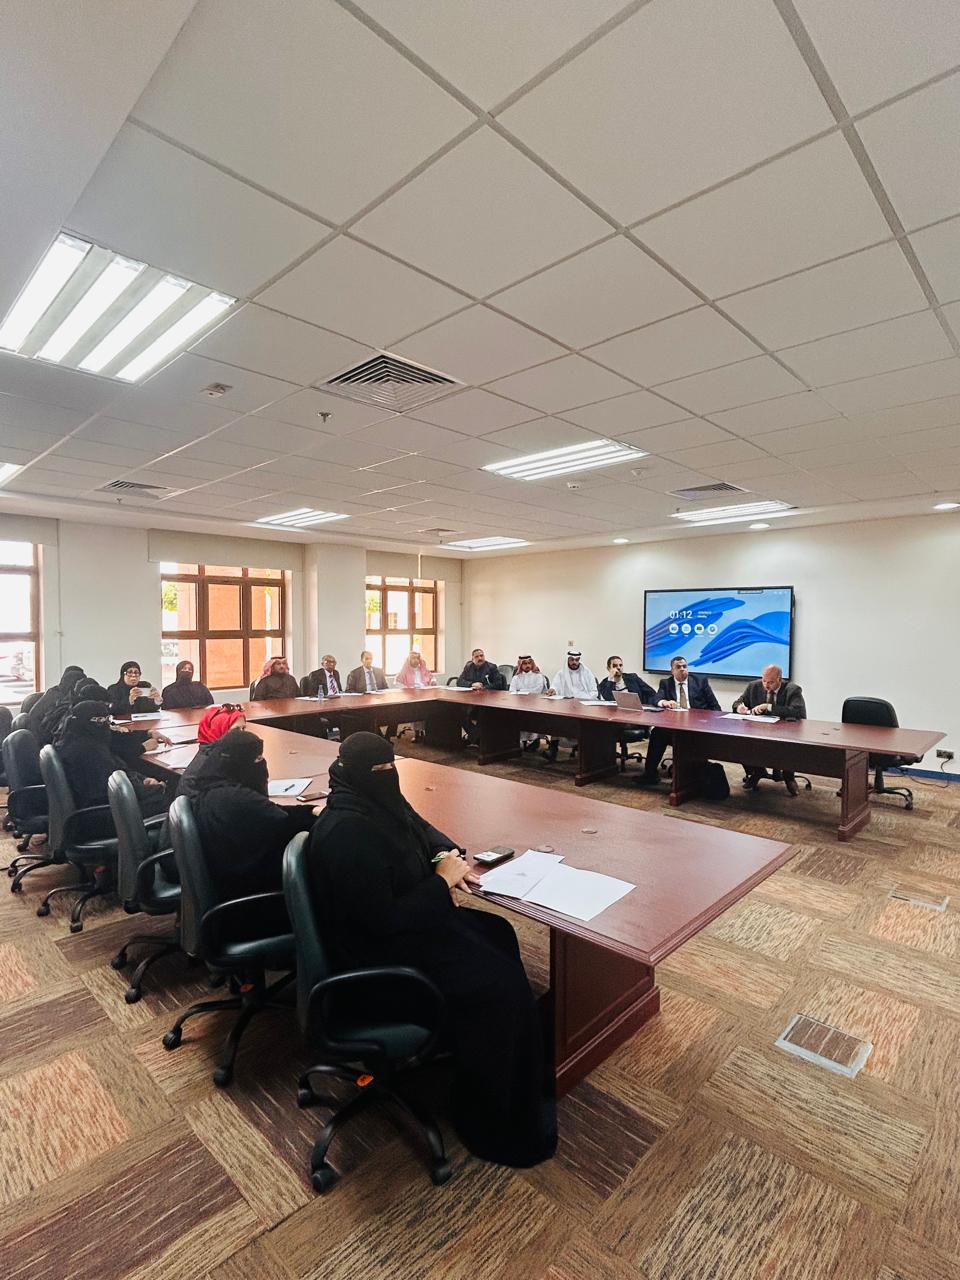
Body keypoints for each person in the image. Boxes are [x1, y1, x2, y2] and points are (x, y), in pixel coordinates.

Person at [306, 732, 557, 1169]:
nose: (389, 776)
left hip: (411, 926)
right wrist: (441, 883)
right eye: (380, 770)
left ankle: (487, 1055)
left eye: (391, 767)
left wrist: (445, 853)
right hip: (380, 961)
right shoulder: (347, 831)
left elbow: (416, 823)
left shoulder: (372, 800)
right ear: (353, 771)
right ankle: (495, 1119)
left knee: (498, 932)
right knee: (500, 988)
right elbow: (382, 921)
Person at [189, 728, 320, 901]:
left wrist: (309, 810)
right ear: (240, 761)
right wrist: (323, 817)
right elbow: (286, 824)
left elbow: (273, 811)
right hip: (253, 891)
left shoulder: (215, 789)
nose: (262, 763)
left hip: (230, 878)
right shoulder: (237, 800)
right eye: (257, 758)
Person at [55, 700, 168, 817]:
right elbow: (113, 790)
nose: (106, 725)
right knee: (167, 799)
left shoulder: (77, 739)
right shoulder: (89, 753)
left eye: (107, 719)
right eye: (100, 720)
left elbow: (117, 743)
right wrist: (156, 789)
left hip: (98, 804)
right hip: (102, 813)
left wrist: (142, 779)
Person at [635, 656, 722, 787]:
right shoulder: (666, 683)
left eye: (684, 666)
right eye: (678, 667)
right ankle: (650, 774)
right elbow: (655, 699)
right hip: (675, 726)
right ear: (672, 671)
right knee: (657, 733)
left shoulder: (700, 681)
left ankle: (684, 779)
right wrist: (664, 702)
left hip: (696, 727)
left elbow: (715, 707)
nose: (682, 669)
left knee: (689, 740)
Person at [734, 664, 807, 796]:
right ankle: (757, 771)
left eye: (771, 682)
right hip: (758, 730)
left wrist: (768, 707)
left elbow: (798, 712)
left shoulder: (792, 689)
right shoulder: (753, 686)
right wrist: (739, 707)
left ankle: (788, 776)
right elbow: (737, 702)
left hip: (784, 732)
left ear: (779, 679)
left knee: (789, 744)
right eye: (764, 681)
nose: (766, 685)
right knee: (739, 742)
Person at [543, 650, 599, 761]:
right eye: (572, 660)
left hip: (583, 706)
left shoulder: (587, 673)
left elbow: (594, 692)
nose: (574, 662)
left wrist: (580, 698)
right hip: (565, 706)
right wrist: (553, 690)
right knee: (556, 719)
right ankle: (553, 750)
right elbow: (555, 686)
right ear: (568, 660)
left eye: (577, 660)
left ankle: (586, 751)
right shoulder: (561, 673)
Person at [509, 655, 552, 752]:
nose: (527, 665)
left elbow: (537, 691)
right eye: (524, 664)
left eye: (529, 663)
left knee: (532, 716)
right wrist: (524, 693)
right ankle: (518, 741)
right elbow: (511, 691)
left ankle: (534, 740)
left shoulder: (539, 676)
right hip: (519, 704)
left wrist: (520, 691)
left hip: (535, 704)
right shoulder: (516, 677)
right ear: (520, 665)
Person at [394, 651, 436, 740]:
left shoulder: (423, 669)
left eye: (417, 658)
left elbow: (431, 677)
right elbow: (397, 683)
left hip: (425, 693)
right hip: (411, 696)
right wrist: (408, 690)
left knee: (431, 708)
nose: (416, 660)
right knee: (417, 708)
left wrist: (433, 681)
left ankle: (428, 732)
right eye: (413, 658)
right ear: (409, 660)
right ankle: (417, 733)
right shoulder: (405, 670)